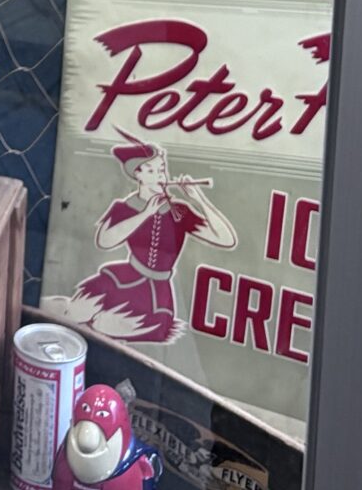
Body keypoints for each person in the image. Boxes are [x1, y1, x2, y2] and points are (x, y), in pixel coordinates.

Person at [56, 138, 240, 342]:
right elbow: (105, 240)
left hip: (156, 292)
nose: (160, 176)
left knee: (104, 324)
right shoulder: (126, 207)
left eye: (161, 170)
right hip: (123, 278)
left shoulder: (179, 211)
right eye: (151, 171)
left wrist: (199, 200)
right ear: (138, 175)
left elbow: (226, 239)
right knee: (75, 311)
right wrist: (145, 213)